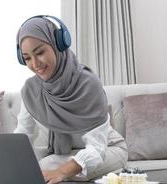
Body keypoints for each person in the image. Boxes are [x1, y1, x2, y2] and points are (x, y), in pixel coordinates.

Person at [14, 15, 128, 183]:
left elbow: (97, 148)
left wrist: (62, 172)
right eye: (27, 58)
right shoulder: (31, 90)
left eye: (39, 52)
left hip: (108, 149)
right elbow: (23, 136)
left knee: (46, 170)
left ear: (59, 44)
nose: (35, 63)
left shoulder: (88, 84)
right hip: (65, 154)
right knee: (38, 169)